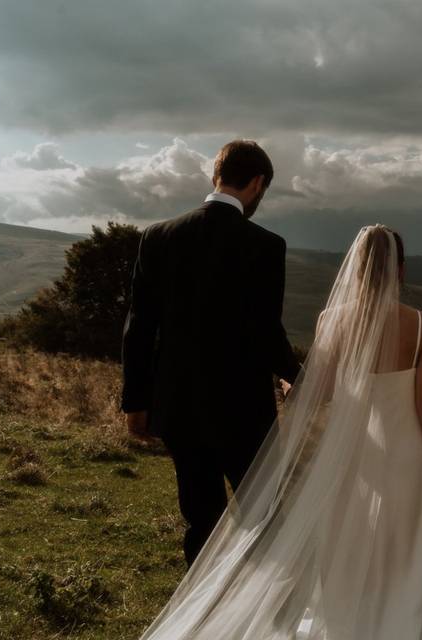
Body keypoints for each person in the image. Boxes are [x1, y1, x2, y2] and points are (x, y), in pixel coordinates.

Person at [136, 224, 422, 640]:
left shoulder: (333, 319)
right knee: (401, 549)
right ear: (400, 270)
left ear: (356, 269)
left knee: (343, 543)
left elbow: (317, 390)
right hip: (404, 456)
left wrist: (290, 388)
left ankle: (343, 626)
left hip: (348, 459)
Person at [121, 139, 301, 566]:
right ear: (258, 183)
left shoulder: (158, 236)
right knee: (265, 516)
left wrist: (136, 401)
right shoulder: (266, 245)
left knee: (200, 518)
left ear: (215, 175)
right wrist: (297, 374)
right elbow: (265, 329)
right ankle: (263, 611)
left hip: (179, 405)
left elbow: (139, 327)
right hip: (244, 408)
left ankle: (202, 616)